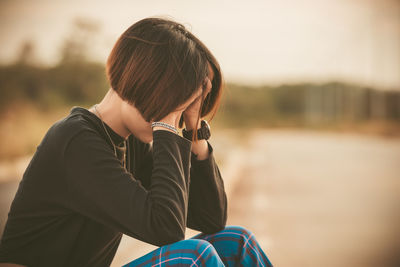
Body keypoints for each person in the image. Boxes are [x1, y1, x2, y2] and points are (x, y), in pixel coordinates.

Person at [0, 17, 273, 267]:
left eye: (185, 106)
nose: (174, 117)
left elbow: (211, 218)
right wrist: (165, 126)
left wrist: (193, 129)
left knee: (237, 242)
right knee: (194, 258)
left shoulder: (132, 143)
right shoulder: (74, 141)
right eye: (175, 104)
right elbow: (167, 230)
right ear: (147, 84)